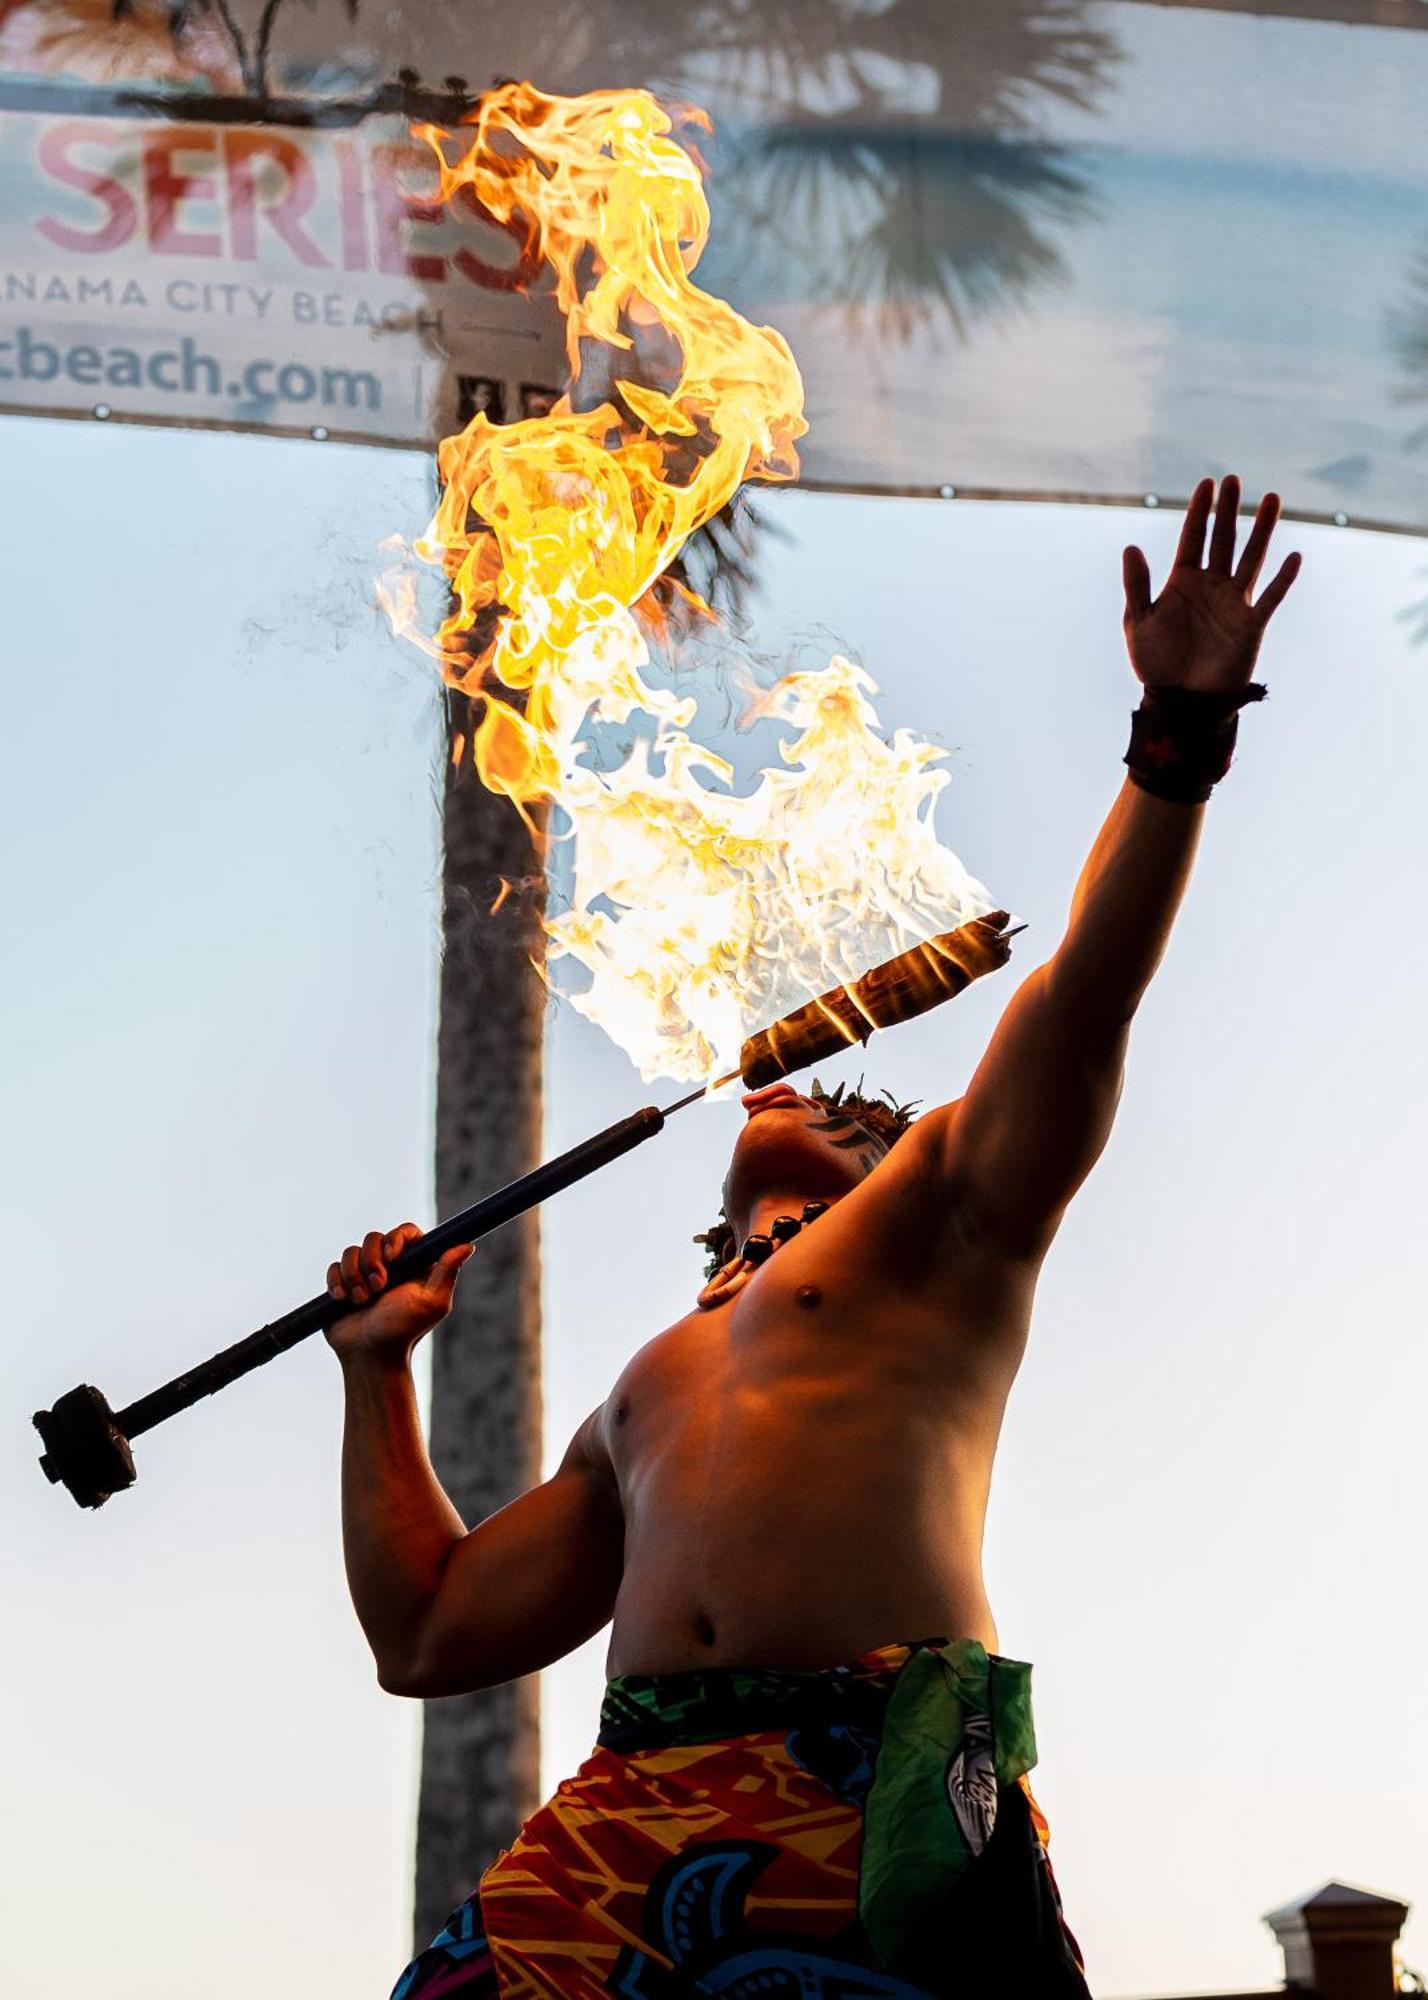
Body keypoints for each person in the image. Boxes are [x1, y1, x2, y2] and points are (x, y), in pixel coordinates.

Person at [327, 474, 1302, 1998]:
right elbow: (433, 1630)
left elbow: (1086, 994)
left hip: (874, 1787)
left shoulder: (948, 1221)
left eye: (851, 1110)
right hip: (635, 1805)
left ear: (897, 1148)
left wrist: (1178, 737)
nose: (808, 1099)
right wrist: (377, 1373)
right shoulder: (650, 1383)